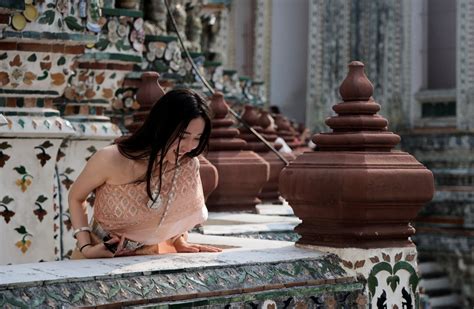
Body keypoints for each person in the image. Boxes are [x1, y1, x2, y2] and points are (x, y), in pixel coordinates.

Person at [68, 89, 222, 259]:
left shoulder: (187, 164)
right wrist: (86, 247)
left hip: (149, 260)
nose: (189, 146)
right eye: (182, 136)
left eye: (197, 138)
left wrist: (179, 240)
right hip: (99, 255)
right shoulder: (110, 159)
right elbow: (76, 197)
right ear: (162, 126)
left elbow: (176, 212)